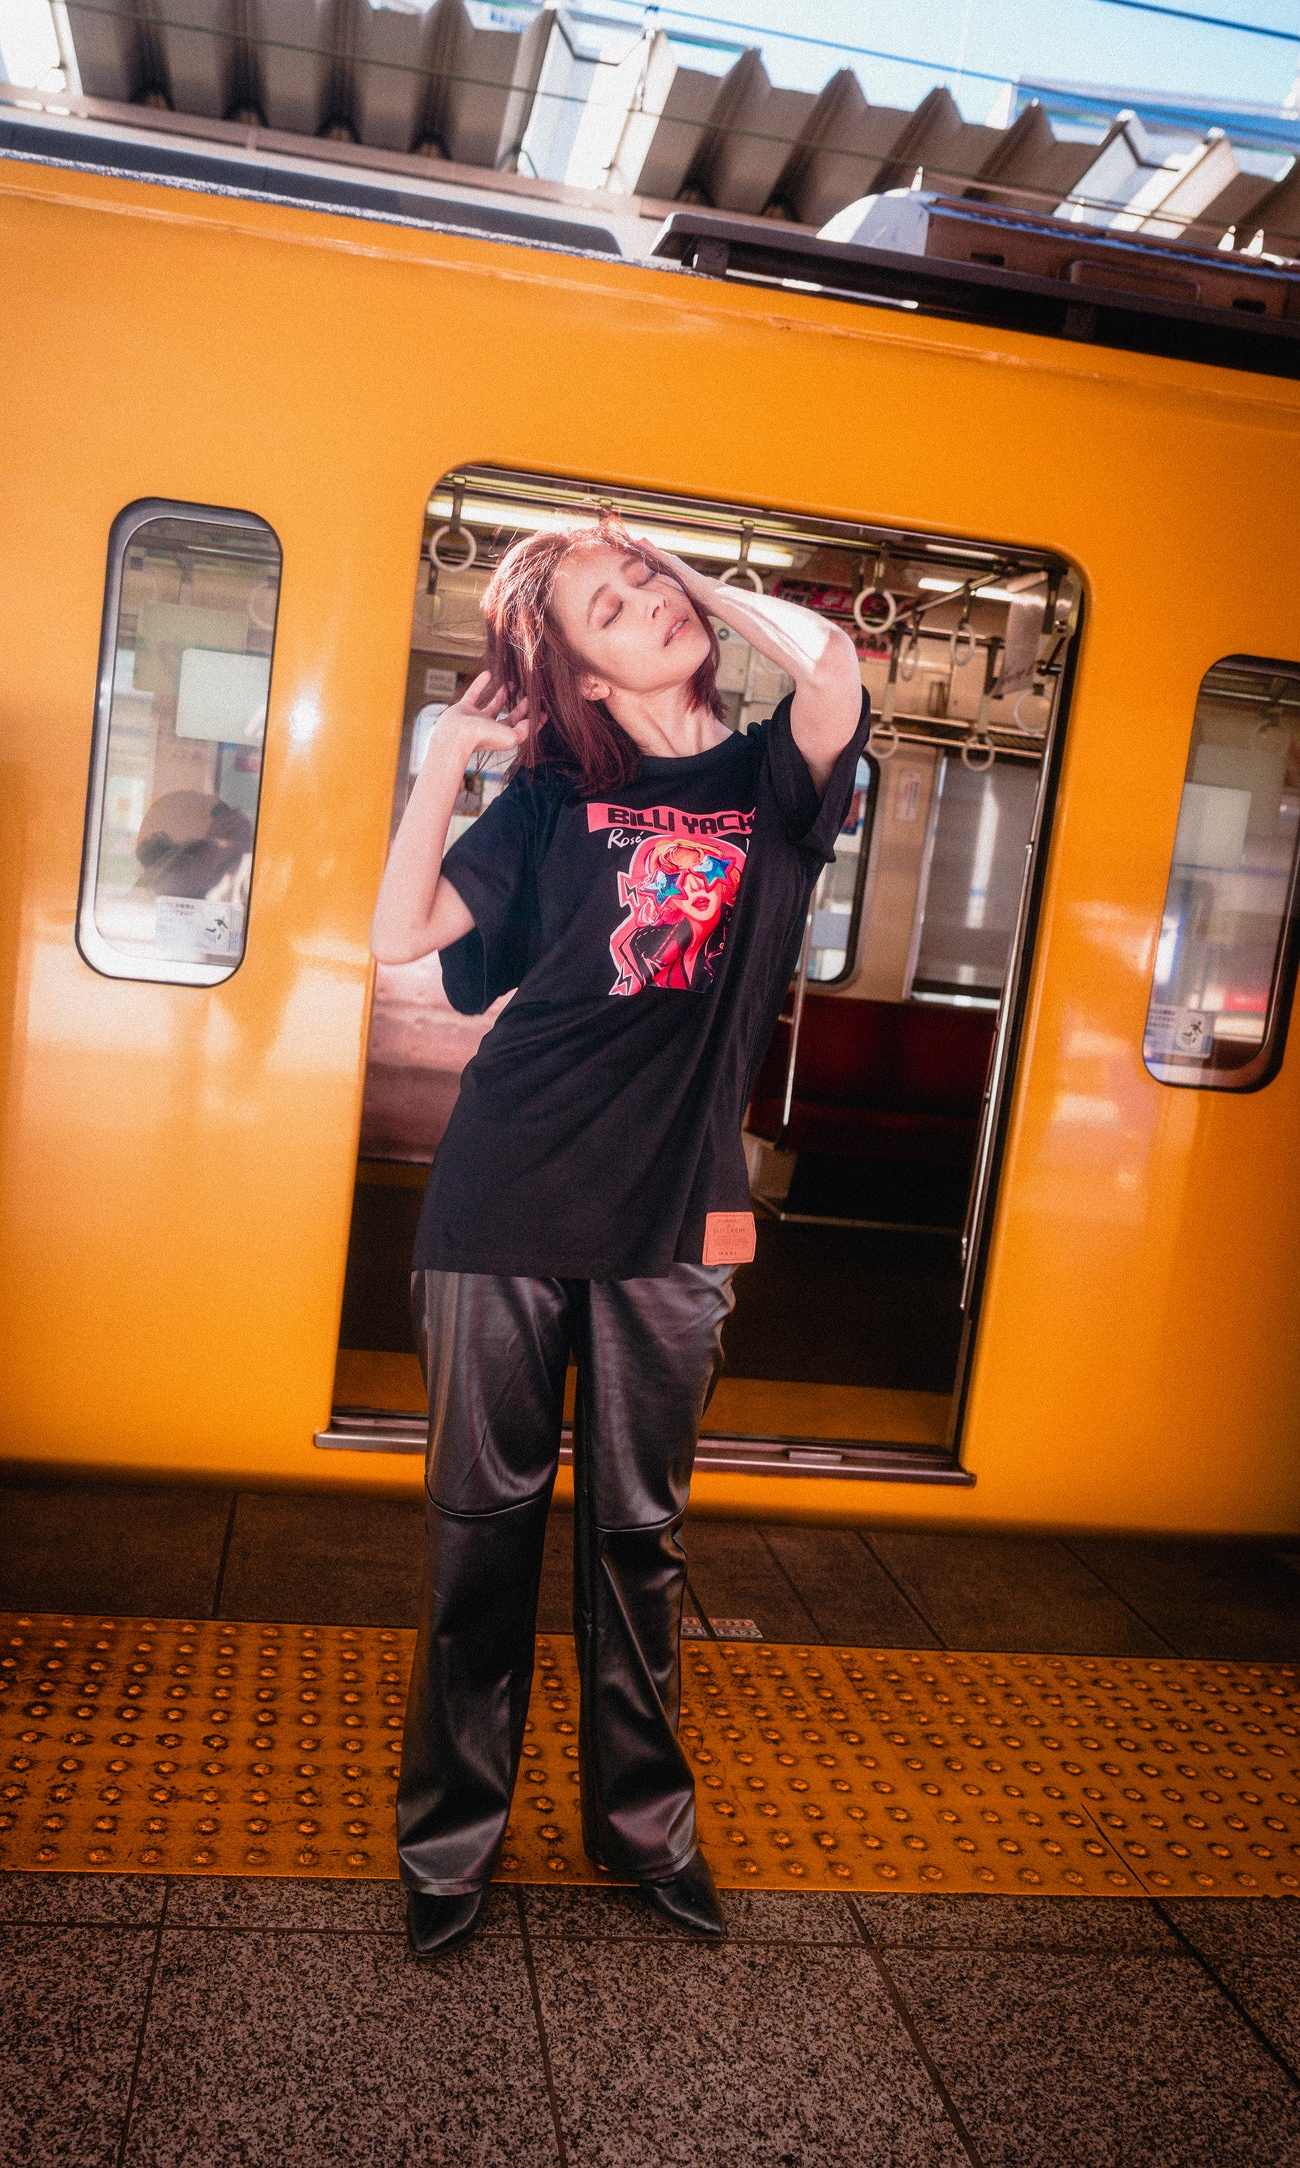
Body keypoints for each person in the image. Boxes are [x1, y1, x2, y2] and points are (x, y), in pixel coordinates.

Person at [370, 519, 868, 1956]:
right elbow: (400, 933)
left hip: (672, 1208)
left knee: (636, 1538)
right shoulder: (547, 797)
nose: (646, 605)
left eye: (646, 584)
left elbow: (831, 666)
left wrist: (684, 572)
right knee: (480, 1538)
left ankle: (643, 1829)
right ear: (570, 668)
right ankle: (449, 1845)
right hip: (504, 1190)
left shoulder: (772, 774)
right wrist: (441, 770)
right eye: (610, 603)